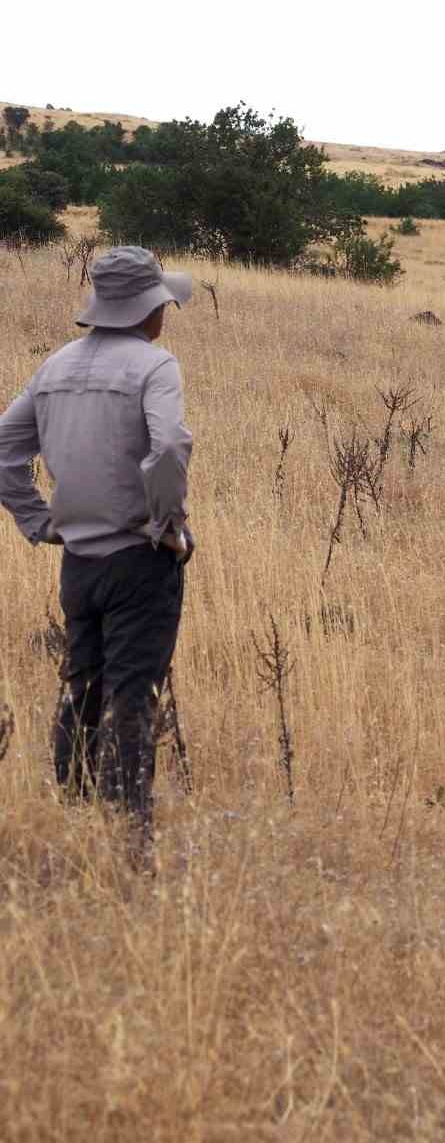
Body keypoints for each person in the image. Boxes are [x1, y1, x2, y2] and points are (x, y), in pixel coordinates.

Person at [0, 246, 196, 850]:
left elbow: (5, 448)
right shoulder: (155, 366)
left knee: (81, 688)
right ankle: (129, 836)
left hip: (77, 563)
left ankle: (72, 820)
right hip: (139, 559)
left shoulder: (54, 367)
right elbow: (166, 450)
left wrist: (40, 520)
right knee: (133, 696)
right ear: (149, 308)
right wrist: (167, 525)